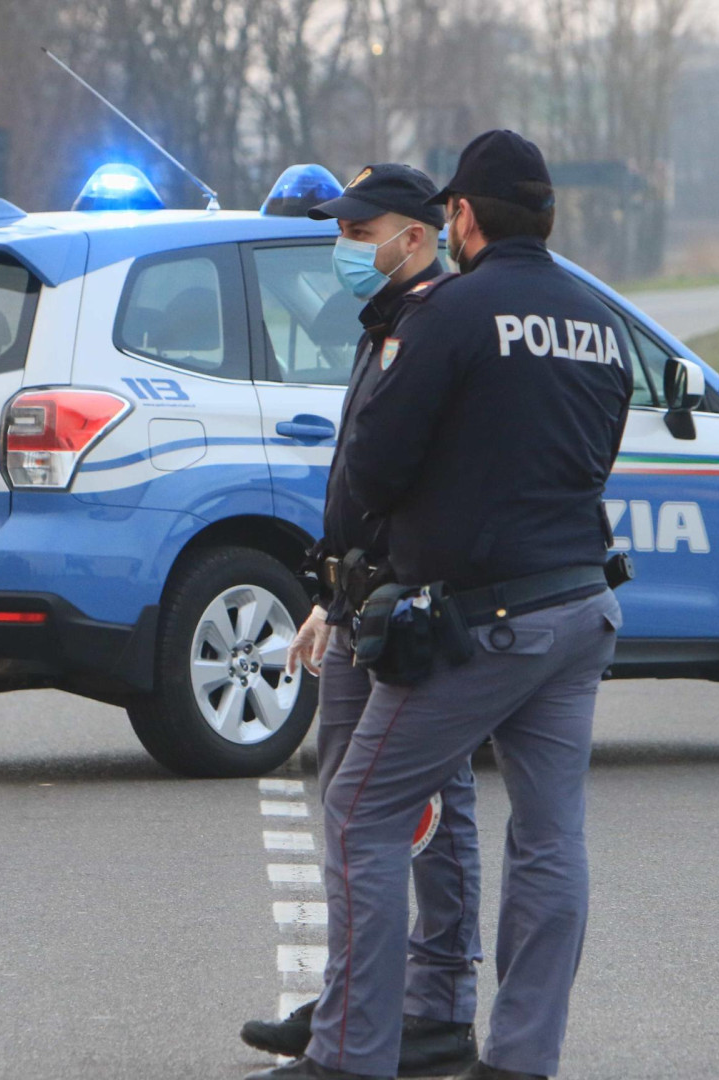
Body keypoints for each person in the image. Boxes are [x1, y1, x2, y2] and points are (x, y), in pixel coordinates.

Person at [253, 130, 634, 1080]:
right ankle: (519, 1060)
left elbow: (376, 465)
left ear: (459, 217)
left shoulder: (453, 314)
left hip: (483, 618)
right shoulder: (600, 321)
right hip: (580, 608)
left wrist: (349, 563)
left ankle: (351, 1055)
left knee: (359, 812)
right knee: (550, 841)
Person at [240, 164, 482, 1079]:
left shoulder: (438, 327)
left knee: (422, 813)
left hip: (410, 606)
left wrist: (374, 588)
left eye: (359, 230)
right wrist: (326, 597)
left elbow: (408, 483)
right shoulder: (387, 322)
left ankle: (430, 1007)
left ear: (415, 236)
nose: (345, 246)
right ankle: (356, 998)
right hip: (357, 599)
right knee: (354, 807)